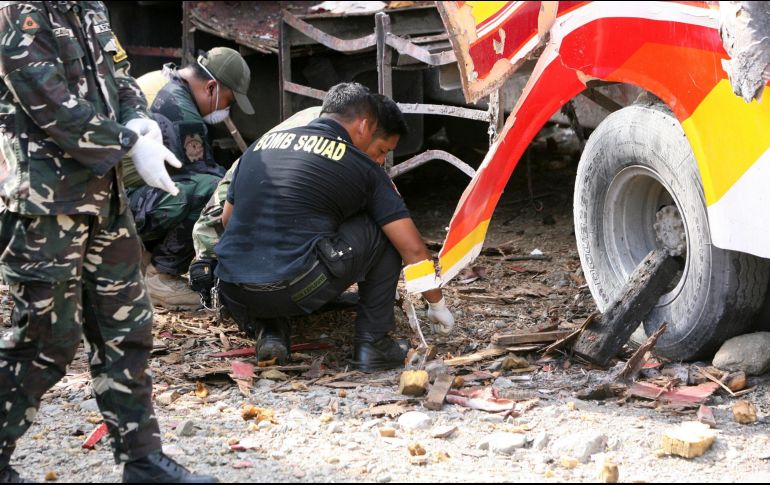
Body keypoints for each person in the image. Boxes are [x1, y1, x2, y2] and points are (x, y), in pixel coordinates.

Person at [0, 2, 216, 482]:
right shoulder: (19, 12)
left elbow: (119, 76)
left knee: (128, 331)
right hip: (46, 203)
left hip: (106, 200)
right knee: (44, 339)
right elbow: (49, 102)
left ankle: (141, 461)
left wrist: (141, 121)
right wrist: (125, 141)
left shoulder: (89, 7)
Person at [214, 83, 456, 371]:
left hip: (234, 292)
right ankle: (373, 343)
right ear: (365, 125)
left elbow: (228, 221)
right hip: (295, 288)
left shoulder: (259, 146)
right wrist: (436, 303)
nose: (380, 160)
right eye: (381, 151)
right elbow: (413, 249)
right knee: (383, 229)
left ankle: (272, 330)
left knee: (271, 245)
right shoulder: (362, 167)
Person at [124, 47, 254, 310]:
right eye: (228, 101)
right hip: (124, 205)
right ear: (210, 88)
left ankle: (142, 258)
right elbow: (207, 178)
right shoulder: (179, 109)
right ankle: (161, 277)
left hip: (119, 197)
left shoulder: (161, 80)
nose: (226, 110)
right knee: (212, 190)